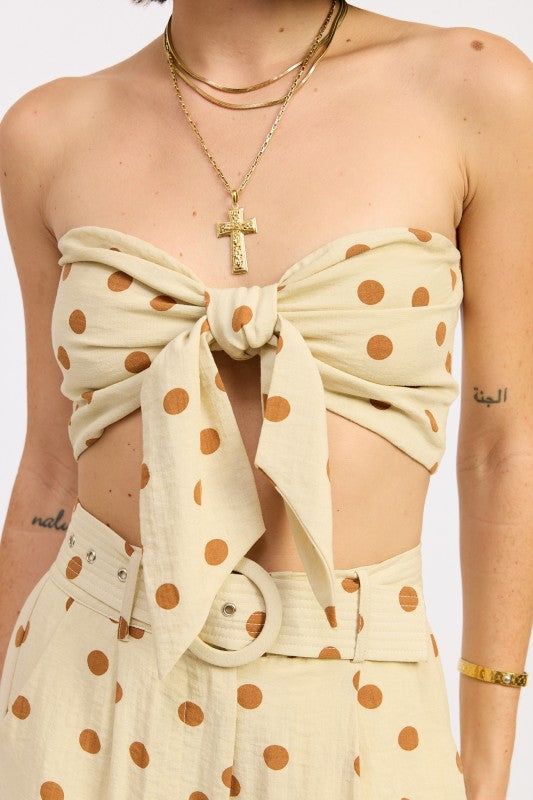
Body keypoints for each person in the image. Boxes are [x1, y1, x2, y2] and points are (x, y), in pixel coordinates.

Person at [0, 1, 531, 798]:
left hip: (360, 700)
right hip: (84, 690)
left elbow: (502, 449)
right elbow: (50, 468)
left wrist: (488, 766)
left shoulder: (475, 87)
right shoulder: (46, 132)